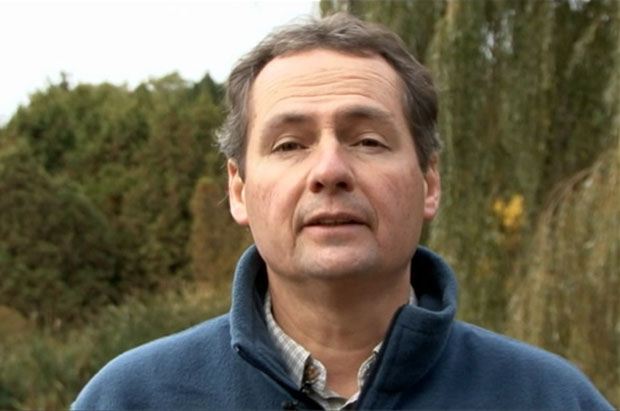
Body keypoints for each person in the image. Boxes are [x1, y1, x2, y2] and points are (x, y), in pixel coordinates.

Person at [72, 13, 612, 410]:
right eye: (289, 145)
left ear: (428, 182)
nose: (329, 170)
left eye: (369, 141)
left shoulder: (550, 398)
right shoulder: (130, 399)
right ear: (238, 190)